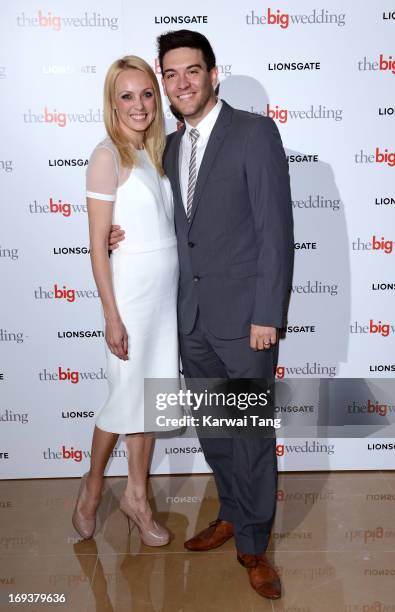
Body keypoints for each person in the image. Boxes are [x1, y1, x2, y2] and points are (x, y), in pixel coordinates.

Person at [109, 30, 294, 600]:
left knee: (251, 436)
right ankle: (233, 514)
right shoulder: (166, 144)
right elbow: (170, 224)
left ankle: (257, 545)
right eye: (171, 74)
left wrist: (268, 314)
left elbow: (276, 233)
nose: (180, 83)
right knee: (217, 431)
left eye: (191, 71)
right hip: (189, 320)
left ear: (213, 74)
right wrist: (120, 236)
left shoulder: (253, 133)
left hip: (246, 321)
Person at [72, 55, 180, 547]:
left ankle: (137, 496)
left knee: (152, 403)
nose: (139, 105)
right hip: (132, 301)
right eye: (127, 96)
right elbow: (97, 244)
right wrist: (111, 316)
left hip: (166, 300)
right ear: (112, 102)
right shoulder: (106, 155)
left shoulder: (159, 153)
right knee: (122, 402)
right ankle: (93, 486)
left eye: (146, 94)